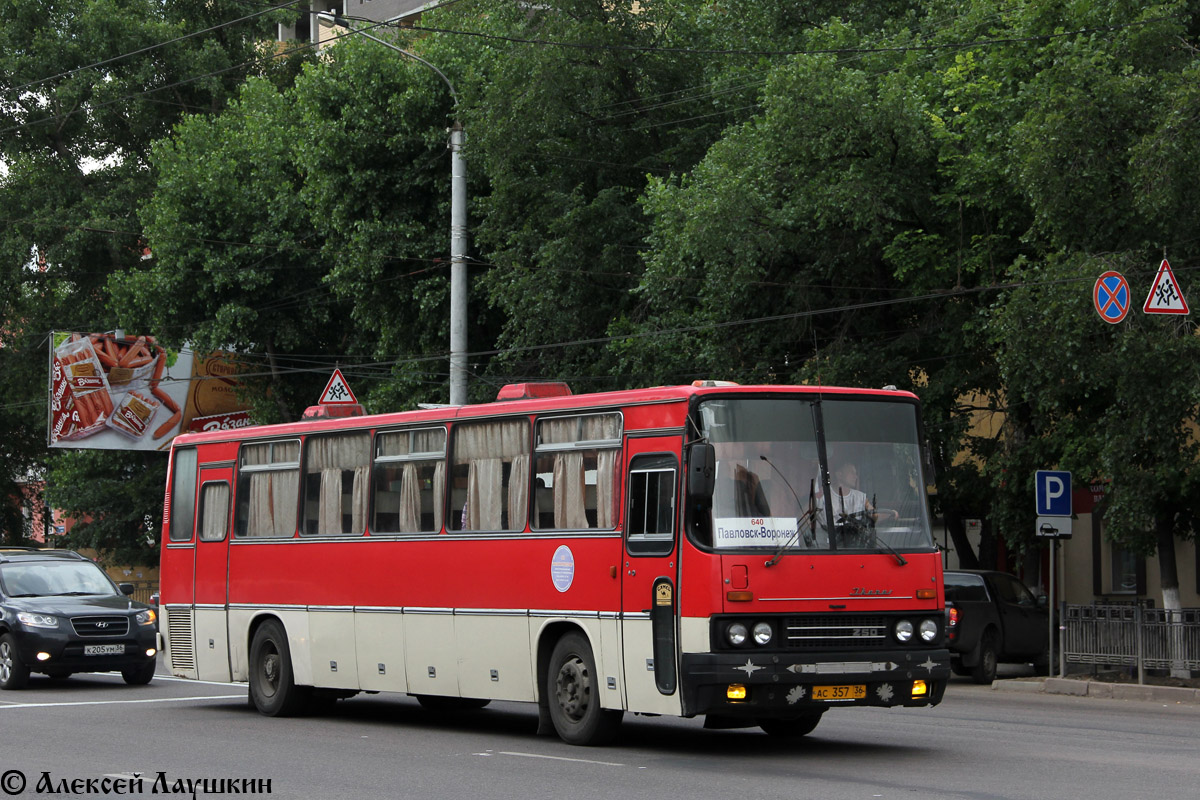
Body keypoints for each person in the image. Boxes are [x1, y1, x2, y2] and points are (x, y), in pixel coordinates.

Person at [816, 463, 897, 545]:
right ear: (839, 474)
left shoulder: (860, 497)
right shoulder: (823, 495)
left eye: (856, 473)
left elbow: (874, 516)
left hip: (854, 546)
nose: (856, 477)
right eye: (852, 473)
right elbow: (808, 519)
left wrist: (890, 513)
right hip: (828, 546)